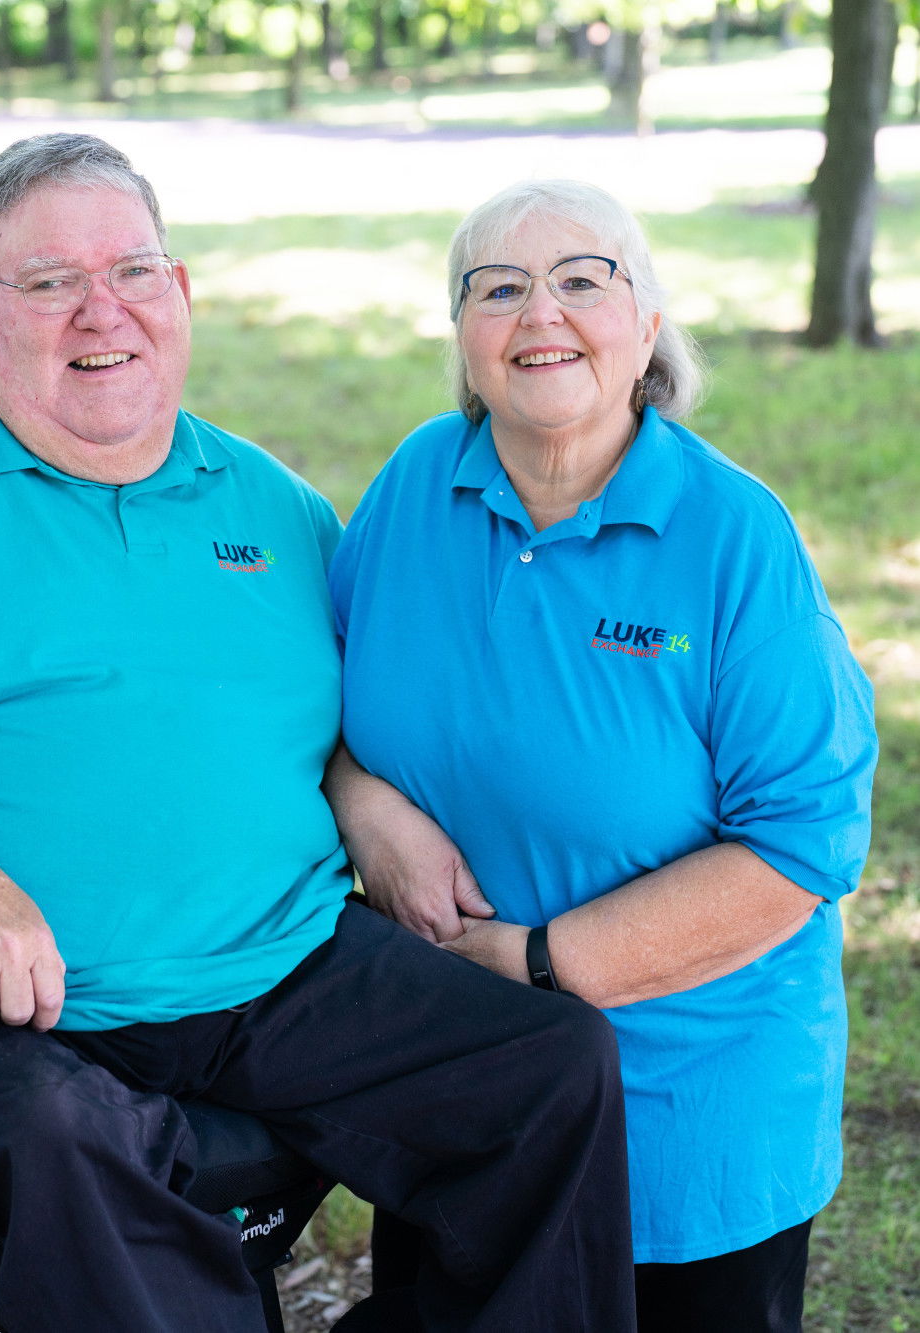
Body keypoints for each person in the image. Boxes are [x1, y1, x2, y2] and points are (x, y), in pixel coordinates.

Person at [0, 138, 636, 1333]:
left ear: (181, 296)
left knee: (547, 1068)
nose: (99, 310)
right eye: (50, 280)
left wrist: (364, 802)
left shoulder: (273, 507)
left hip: (276, 962)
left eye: (134, 271)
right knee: (74, 1141)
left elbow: (323, 720)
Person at [326, 178, 878, 1333]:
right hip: (459, 1081)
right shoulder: (415, 487)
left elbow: (799, 844)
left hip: (683, 1106)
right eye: (499, 288)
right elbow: (314, 707)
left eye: (584, 279)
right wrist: (367, 806)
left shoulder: (733, 538)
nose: (541, 315)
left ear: (648, 325)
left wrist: (534, 962)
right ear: (463, 336)